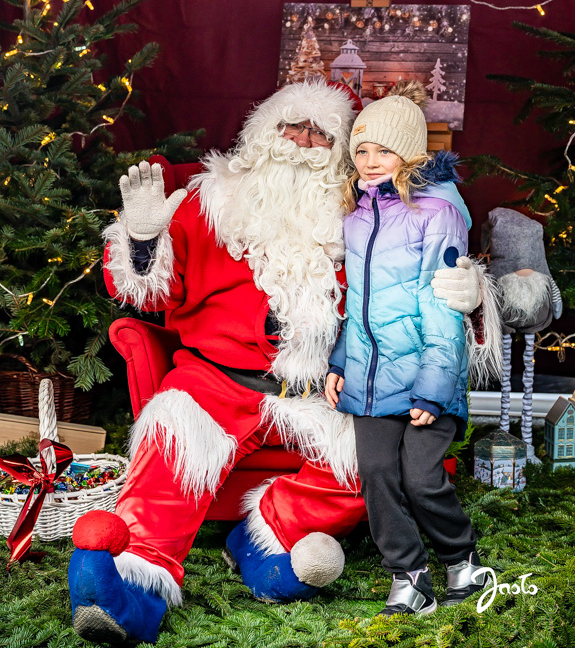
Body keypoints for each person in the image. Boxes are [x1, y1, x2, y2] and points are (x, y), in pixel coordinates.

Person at [67, 78, 492, 644]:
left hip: (321, 387)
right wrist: (143, 239)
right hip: (215, 379)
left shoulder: (362, 212)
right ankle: (131, 587)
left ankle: (261, 536)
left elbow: (415, 285)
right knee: (171, 451)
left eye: (321, 133)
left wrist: (468, 289)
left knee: (367, 467)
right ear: (261, 132)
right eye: (291, 126)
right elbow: (151, 296)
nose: (303, 140)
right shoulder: (206, 202)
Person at [325, 80, 491, 617]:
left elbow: (443, 308)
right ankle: (409, 575)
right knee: (376, 474)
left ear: (411, 154)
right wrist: (337, 363)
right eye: (361, 151)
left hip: (426, 376)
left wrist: (435, 388)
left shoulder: (436, 212)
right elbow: (356, 304)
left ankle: (460, 558)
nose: (370, 162)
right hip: (370, 378)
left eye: (383, 150)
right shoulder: (354, 214)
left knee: (421, 478)